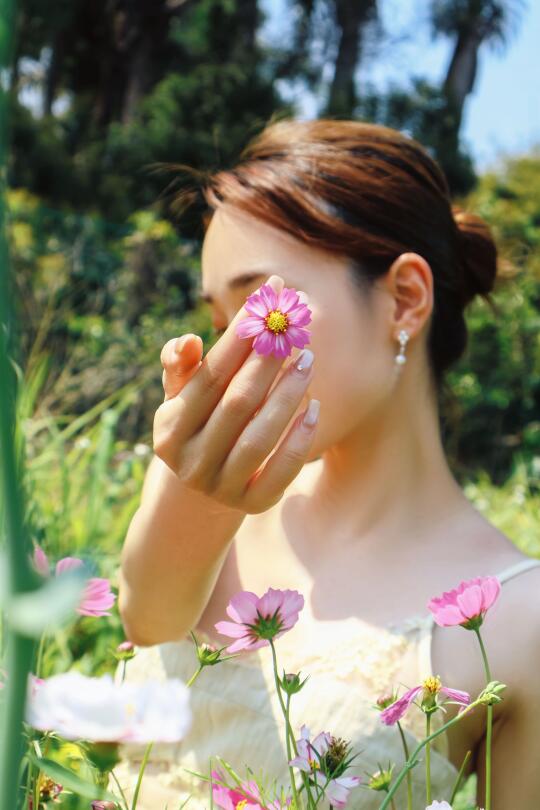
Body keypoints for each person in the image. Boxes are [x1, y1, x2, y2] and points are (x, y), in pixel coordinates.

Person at [114, 119, 540, 809]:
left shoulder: (520, 618)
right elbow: (148, 618)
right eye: (223, 324)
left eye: (260, 310)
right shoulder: (200, 482)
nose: (234, 354)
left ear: (405, 300)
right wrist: (196, 496)